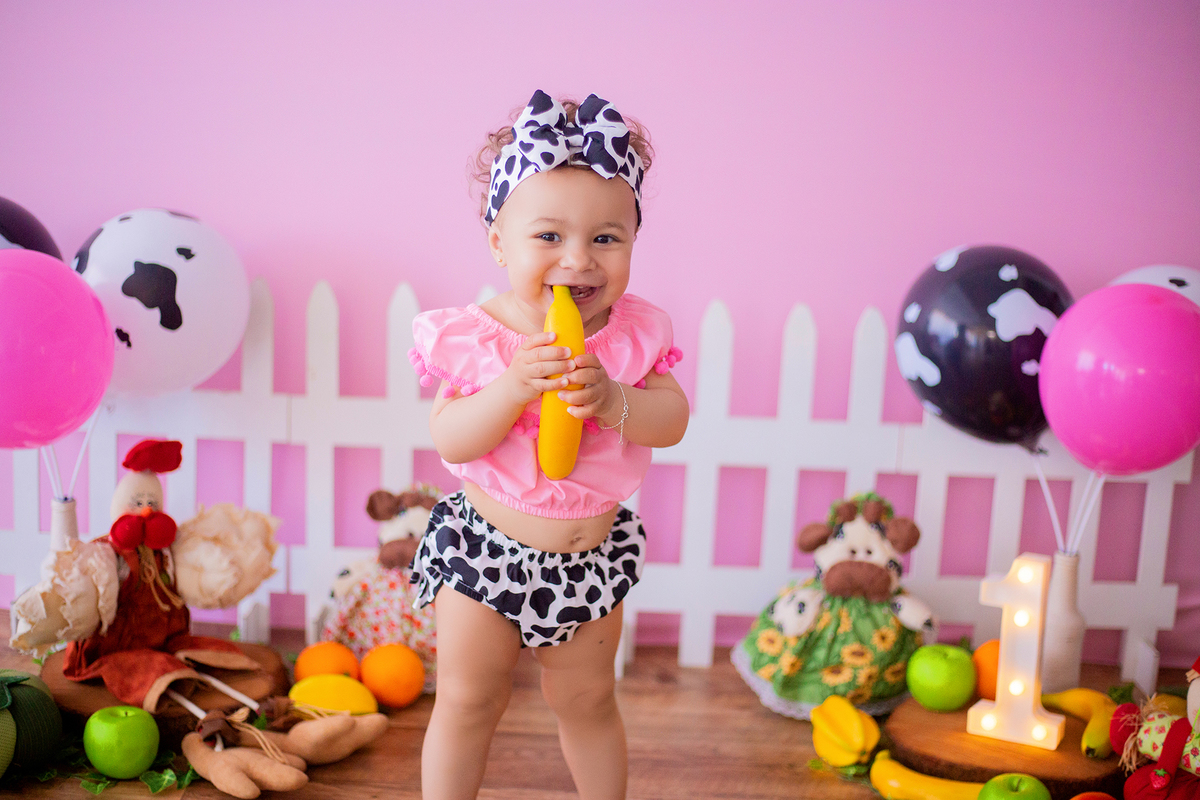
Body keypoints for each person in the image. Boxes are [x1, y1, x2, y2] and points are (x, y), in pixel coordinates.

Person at [406, 89, 689, 800]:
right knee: (469, 700)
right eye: (549, 237)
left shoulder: (630, 336)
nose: (579, 260)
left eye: (606, 239)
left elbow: (672, 420)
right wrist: (511, 389)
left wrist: (616, 401)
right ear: (499, 242)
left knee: (587, 702)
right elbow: (451, 437)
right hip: (486, 555)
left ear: (633, 242)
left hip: (589, 560)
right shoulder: (479, 336)